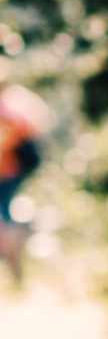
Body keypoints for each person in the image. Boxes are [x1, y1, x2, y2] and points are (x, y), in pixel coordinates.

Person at [0, 84, 48, 295]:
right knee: (5, 212)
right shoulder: (15, 98)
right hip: (17, 165)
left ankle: (12, 259)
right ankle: (13, 262)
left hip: (12, 167)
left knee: (3, 214)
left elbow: (10, 139)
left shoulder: (7, 107)